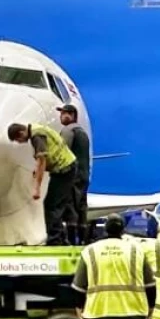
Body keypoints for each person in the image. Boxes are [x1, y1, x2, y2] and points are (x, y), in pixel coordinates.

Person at [7, 122, 79, 245]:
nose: (19, 143)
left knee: (51, 206)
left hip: (64, 170)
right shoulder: (37, 128)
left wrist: (36, 188)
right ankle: (61, 238)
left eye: (18, 140)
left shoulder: (36, 136)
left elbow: (42, 161)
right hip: (67, 167)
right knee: (58, 205)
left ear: (21, 133)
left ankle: (54, 240)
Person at [57, 104, 92, 244]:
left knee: (70, 206)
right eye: (62, 113)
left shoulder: (68, 130)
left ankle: (71, 241)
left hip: (72, 176)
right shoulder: (83, 133)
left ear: (73, 116)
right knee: (81, 207)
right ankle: (83, 240)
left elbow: (63, 152)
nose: (63, 116)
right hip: (84, 175)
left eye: (66, 114)